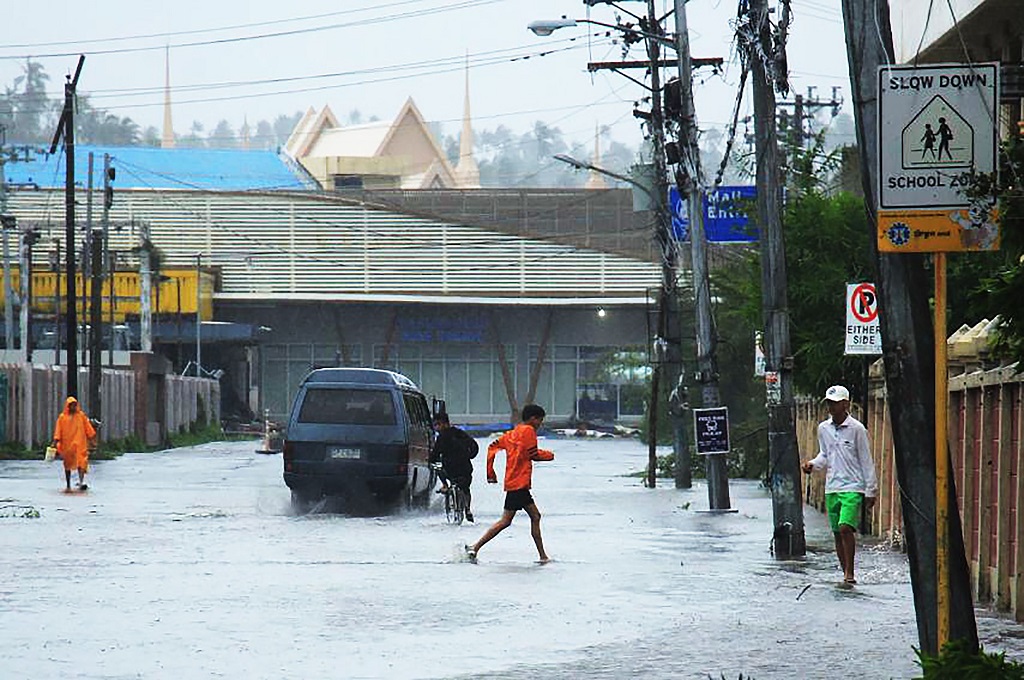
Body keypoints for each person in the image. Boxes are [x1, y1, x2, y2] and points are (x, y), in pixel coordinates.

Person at [801, 385, 877, 586]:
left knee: (845, 528)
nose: (831, 407)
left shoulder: (857, 429)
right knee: (836, 531)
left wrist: (871, 490)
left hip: (853, 486)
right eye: (829, 403)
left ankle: (850, 572)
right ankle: (845, 571)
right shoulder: (823, 429)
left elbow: (866, 460)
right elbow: (824, 455)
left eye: (835, 403)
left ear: (846, 404)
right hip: (832, 486)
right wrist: (812, 465)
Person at [466, 404, 554, 563]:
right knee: (526, 518)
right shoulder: (529, 431)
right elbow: (533, 454)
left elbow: (492, 446)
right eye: (540, 420)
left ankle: (475, 547)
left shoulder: (512, 433)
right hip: (519, 483)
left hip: (513, 482)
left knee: (515, 520)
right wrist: (549, 455)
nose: (540, 423)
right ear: (533, 418)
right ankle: (543, 557)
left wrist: (490, 472)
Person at [430, 412, 478, 522]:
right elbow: (474, 446)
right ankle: (468, 509)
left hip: (450, 469)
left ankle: (445, 485)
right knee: (466, 488)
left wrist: (432, 460)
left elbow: (435, 455)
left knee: (438, 468)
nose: (436, 427)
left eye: (438, 424)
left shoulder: (442, 438)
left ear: (445, 424)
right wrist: (469, 456)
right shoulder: (461, 433)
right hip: (465, 468)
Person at [52, 396, 97, 492]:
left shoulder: (81, 416)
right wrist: (55, 442)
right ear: (67, 406)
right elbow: (58, 431)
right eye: (71, 405)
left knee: (82, 462)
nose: (73, 407)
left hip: (80, 444)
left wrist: (92, 441)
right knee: (67, 465)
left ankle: (81, 482)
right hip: (67, 446)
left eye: (74, 405)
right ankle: (68, 484)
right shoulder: (62, 417)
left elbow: (88, 428)